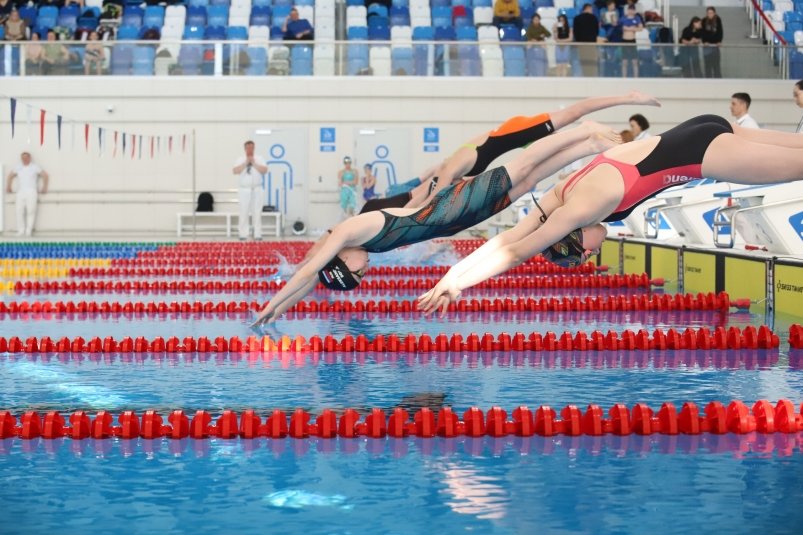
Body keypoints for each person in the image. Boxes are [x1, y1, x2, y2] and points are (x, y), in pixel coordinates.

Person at [417, 115, 803, 316]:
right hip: (696, 131)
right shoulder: (562, 193)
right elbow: (506, 239)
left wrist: (461, 285)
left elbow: (516, 252)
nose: (594, 252)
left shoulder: (584, 209)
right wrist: (452, 274)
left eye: (586, 254)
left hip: (701, 153)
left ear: (573, 238)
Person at [252, 120, 626, 325]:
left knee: (521, 168)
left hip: (450, 208)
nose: (364, 274)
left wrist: (272, 302)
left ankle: (581, 132)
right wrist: (281, 310)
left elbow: (309, 272)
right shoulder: (360, 246)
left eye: (356, 274)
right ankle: (583, 147)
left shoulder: (352, 231)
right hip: (453, 220)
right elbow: (314, 279)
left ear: (345, 260)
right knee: (528, 182)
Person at [300, 92, 660, 265]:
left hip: (486, 152)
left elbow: (435, 181)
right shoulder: (466, 163)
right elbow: (435, 180)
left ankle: (312, 262)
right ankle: (313, 262)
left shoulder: (481, 154)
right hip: (415, 194)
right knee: (536, 164)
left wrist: (624, 100)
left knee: (550, 144)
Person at [6, 152, 49, 237]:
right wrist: (8, 186)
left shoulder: (35, 167)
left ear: (29, 158)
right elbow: (10, 176)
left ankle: (28, 231)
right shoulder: (18, 167)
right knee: (19, 211)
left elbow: (45, 175)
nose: (24, 159)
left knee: (31, 211)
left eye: (26, 157)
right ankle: (21, 230)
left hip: (31, 191)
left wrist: (45, 187)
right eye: (23, 158)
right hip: (20, 192)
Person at [232, 140, 268, 241]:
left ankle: (257, 233)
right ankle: (243, 233)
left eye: (252, 147)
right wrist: (246, 163)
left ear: (254, 148)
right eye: (248, 148)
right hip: (244, 190)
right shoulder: (240, 159)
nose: (250, 149)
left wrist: (254, 163)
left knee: (257, 211)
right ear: (245, 149)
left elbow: (264, 170)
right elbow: (235, 171)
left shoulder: (259, 158)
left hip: (257, 189)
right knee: (244, 211)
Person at [572, 4, 600, 77]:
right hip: (591, 44)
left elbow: (575, 32)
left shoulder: (577, 18)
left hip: (581, 44)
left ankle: (585, 76)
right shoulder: (594, 18)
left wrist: (578, 42)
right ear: (588, 8)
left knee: (583, 61)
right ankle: (591, 76)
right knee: (591, 61)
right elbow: (596, 31)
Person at [619, 5, 642, 78]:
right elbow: (619, 26)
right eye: (630, 9)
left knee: (634, 61)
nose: (631, 11)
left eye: (632, 10)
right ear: (628, 10)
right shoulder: (623, 18)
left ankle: (636, 77)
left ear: (634, 11)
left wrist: (630, 29)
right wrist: (631, 28)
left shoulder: (637, 18)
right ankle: (624, 77)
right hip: (624, 40)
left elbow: (640, 28)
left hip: (632, 40)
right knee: (624, 61)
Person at [702, 6, 723, 78]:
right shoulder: (704, 20)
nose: (710, 14)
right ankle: (708, 80)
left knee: (716, 65)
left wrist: (719, 41)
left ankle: (718, 80)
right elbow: (703, 32)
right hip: (707, 46)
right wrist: (704, 41)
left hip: (715, 45)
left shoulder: (718, 20)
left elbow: (720, 31)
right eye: (708, 13)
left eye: (711, 13)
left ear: (714, 13)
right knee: (707, 65)